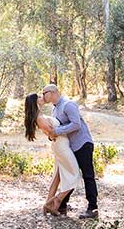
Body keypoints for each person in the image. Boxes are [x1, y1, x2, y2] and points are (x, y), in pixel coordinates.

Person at [42, 83, 99, 219]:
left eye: (45, 93)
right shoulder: (55, 110)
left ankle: (93, 208)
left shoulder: (68, 105)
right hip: (69, 147)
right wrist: (52, 135)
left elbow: (76, 124)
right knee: (69, 174)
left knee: (87, 175)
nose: (43, 96)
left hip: (82, 143)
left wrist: (56, 131)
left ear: (53, 92)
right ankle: (62, 206)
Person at [24, 93, 81, 216]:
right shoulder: (39, 117)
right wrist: (60, 129)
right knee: (75, 174)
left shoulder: (39, 115)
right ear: (35, 102)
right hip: (61, 146)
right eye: (39, 97)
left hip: (61, 145)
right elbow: (52, 134)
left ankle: (48, 205)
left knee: (57, 177)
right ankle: (55, 201)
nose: (42, 98)